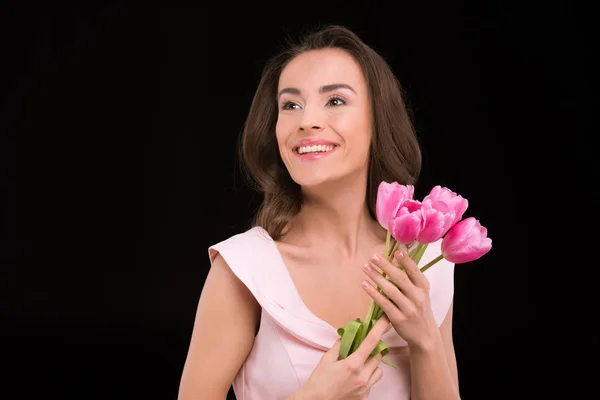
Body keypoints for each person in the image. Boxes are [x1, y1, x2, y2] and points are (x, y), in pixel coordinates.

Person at [178, 24, 460, 400]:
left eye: (336, 101)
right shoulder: (244, 271)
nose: (306, 121)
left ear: (378, 121)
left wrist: (425, 338)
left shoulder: (427, 265)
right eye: (290, 105)